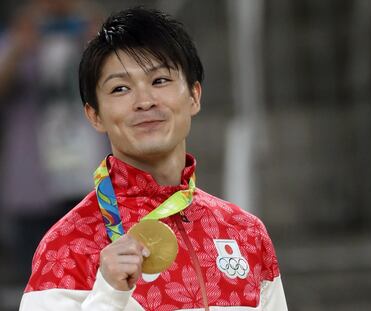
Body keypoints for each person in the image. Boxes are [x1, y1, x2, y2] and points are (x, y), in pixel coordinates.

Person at [19, 6, 288, 311]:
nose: (145, 102)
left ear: (194, 96)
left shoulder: (246, 234)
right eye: (120, 88)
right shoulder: (67, 246)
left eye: (160, 81)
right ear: (94, 116)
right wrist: (107, 294)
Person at [0, 0, 107, 281]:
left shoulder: (93, 33)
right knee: (36, 280)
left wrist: (100, 41)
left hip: (89, 181)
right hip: (33, 186)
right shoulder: (19, 37)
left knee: (91, 280)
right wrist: (19, 47)